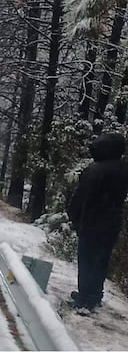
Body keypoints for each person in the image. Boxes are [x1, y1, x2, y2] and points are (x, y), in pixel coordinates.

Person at [66, 132, 128, 312]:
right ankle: (94, 296)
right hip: (112, 223)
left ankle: (84, 299)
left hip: (92, 221)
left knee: (86, 259)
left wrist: (74, 215)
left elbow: (82, 196)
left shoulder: (95, 170)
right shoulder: (123, 168)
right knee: (101, 260)